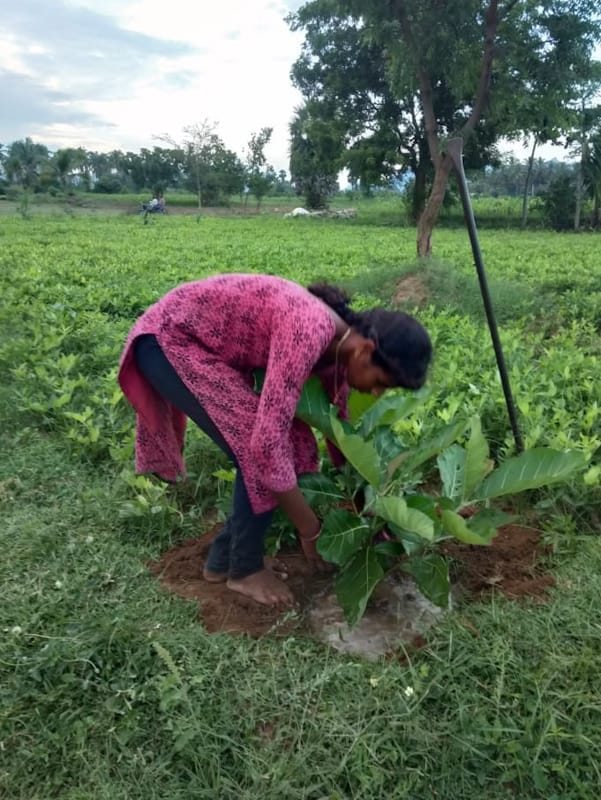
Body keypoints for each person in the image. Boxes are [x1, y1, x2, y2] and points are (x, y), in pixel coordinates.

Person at [118, 274, 432, 608]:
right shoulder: (309, 329)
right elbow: (266, 445)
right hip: (172, 339)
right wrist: (310, 530)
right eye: (381, 381)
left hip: (202, 345)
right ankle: (244, 570)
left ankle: (224, 561)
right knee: (260, 450)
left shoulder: (340, 354)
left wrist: (368, 510)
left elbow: (341, 439)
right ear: (366, 351)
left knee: (288, 447)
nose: (376, 392)